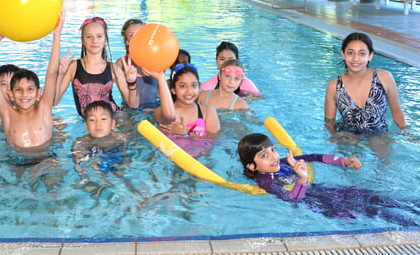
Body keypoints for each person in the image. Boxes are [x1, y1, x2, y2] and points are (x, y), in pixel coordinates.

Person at [237, 133, 418, 226]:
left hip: (327, 191)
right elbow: (292, 199)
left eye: (273, 150)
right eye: (264, 155)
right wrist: (301, 179)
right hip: (321, 204)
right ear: (252, 166)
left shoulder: (284, 162)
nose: (273, 156)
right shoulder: (265, 182)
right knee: (373, 211)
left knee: (378, 197)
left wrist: (343, 162)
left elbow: (315, 157)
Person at [0, 12, 63, 149]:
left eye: (30, 89)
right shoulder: (7, 113)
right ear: (11, 94)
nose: (24, 94)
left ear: (39, 93)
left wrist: (57, 36)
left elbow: (52, 73)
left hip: (45, 160)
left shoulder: (44, 109)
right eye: (18, 90)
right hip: (17, 163)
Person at [324, 32, 410, 137]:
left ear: (370, 56)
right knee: (349, 142)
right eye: (350, 53)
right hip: (347, 134)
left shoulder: (385, 78)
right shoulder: (334, 86)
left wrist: (405, 133)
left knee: (380, 146)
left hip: (378, 133)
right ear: (343, 54)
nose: (355, 59)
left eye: (362, 53)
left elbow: (396, 110)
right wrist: (333, 137)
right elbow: (329, 120)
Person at [55, 16, 139, 117]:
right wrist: (60, 75)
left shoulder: (114, 69)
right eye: (89, 37)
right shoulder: (73, 67)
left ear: (106, 40)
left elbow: (133, 105)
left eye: (99, 36)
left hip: (114, 118)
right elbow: (54, 102)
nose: (94, 41)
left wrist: (131, 83)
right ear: (82, 40)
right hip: (90, 123)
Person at [154, 63, 220, 157]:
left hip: (200, 162)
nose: (189, 91)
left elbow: (215, 138)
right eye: (183, 86)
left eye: (194, 85)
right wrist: (161, 78)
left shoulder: (208, 112)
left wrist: (187, 134)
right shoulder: (162, 113)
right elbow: (168, 115)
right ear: (173, 89)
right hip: (169, 162)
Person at [71, 100, 129, 174]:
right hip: (92, 155)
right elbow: (78, 161)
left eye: (103, 119)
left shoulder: (121, 138)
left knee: (121, 171)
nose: (98, 124)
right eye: (92, 120)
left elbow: (126, 155)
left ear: (113, 124)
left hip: (114, 152)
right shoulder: (81, 142)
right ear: (86, 126)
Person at [115, 18, 159, 110]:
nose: (137, 38)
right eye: (132, 35)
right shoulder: (121, 64)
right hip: (130, 111)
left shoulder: (156, 61)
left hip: (153, 110)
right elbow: (126, 97)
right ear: (127, 41)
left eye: (140, 34)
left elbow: (160, 94)